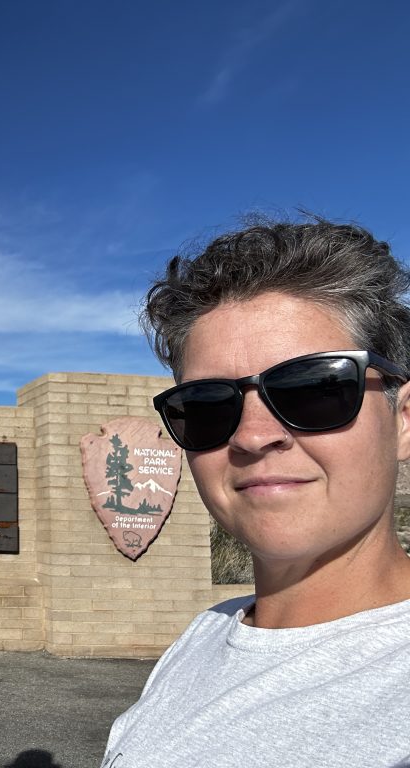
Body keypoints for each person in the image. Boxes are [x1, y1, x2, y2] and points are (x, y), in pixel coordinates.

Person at [102, 216, 410, 767]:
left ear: (403, 418)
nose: (252, 436)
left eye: (314, 388)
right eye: (206, 405)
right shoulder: (208, 632)